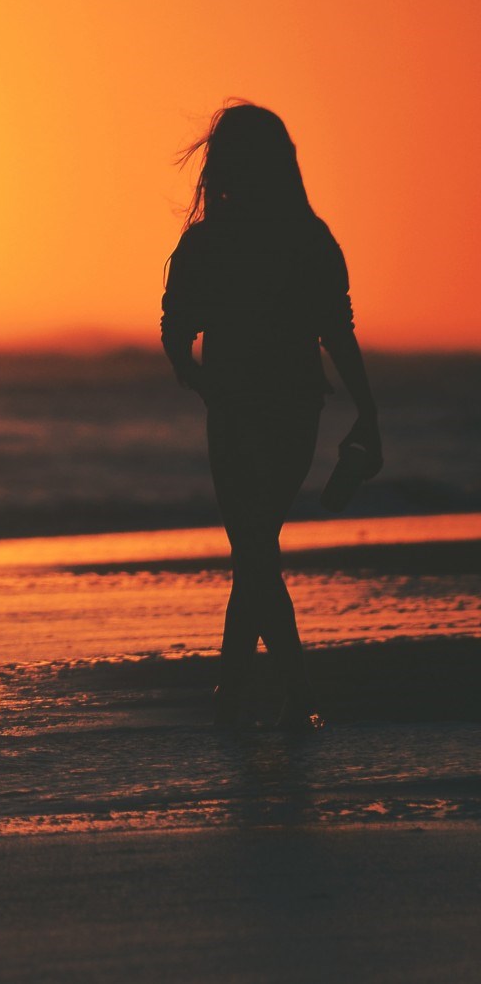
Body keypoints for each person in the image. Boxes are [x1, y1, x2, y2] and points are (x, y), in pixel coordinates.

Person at [160, 102, 382, 729]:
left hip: (233, 410)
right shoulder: (310, 238)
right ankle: (238, 691)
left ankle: (284, 690)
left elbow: (176, 333)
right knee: (255, 546)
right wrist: (368, 415)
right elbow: (337, 333)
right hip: (293, 410)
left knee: (252, 546)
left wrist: (201, 381)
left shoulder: (206, 242)